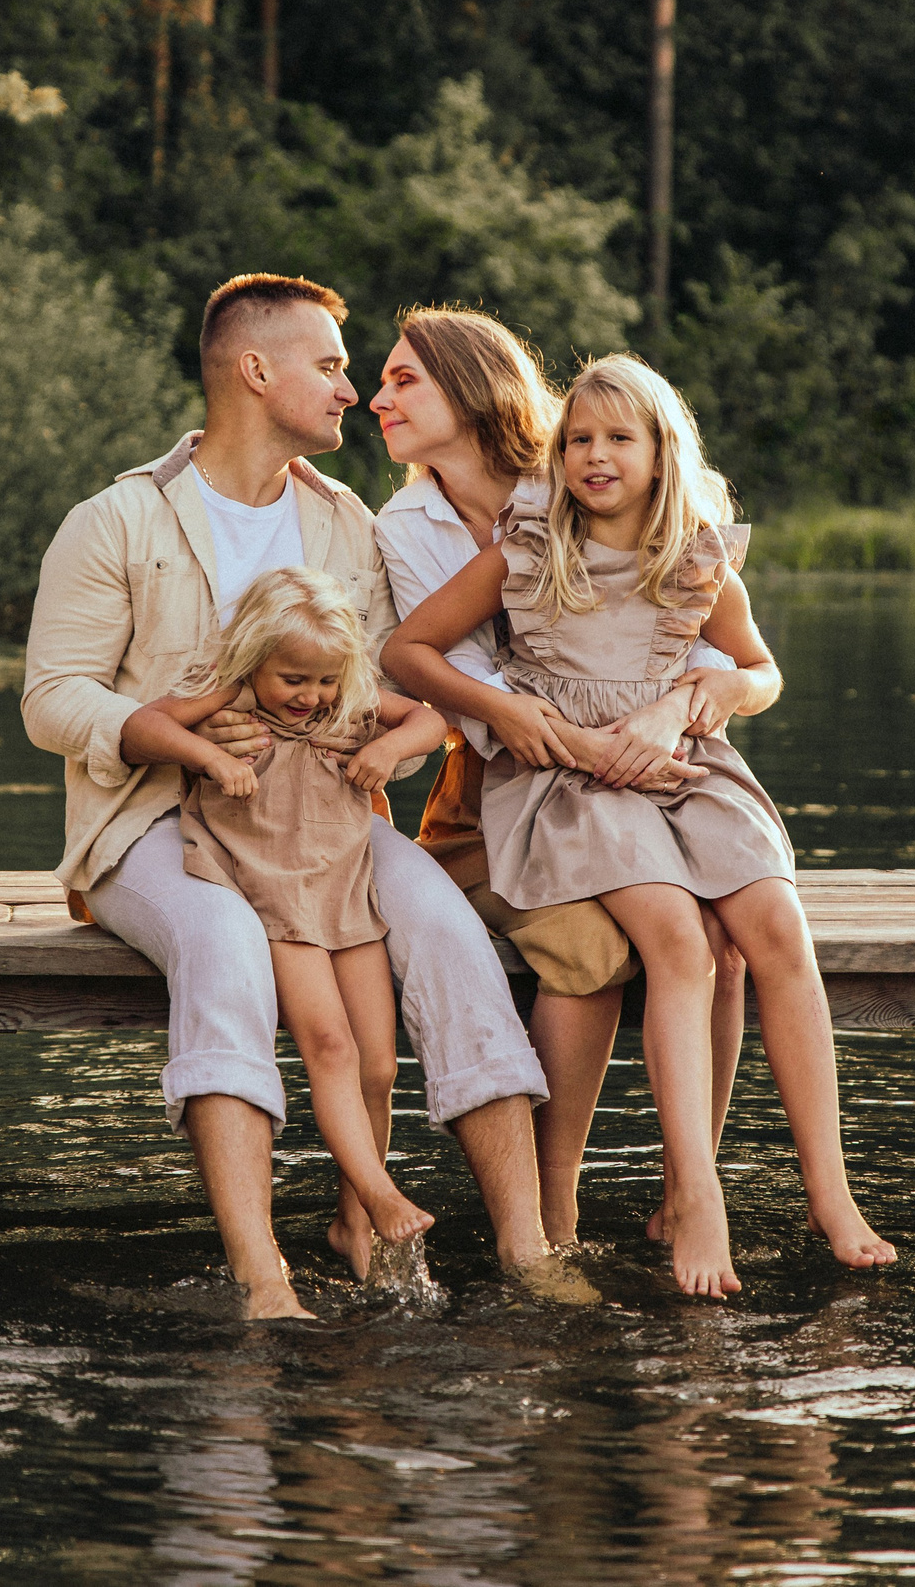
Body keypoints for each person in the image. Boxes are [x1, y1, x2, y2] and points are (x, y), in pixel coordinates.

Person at [22, 271, 574, 1320]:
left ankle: (526, 1248)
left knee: (450, 934)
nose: (348, 390)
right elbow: (52, 698)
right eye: (327, 365)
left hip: (324, 821)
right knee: (223, 944)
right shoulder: (116, 519)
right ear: (255, 369)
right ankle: (263, 1277)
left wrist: (384, 741)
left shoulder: (343, 524)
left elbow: (383, 694)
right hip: (151, 820)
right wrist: (170, 726)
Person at [386, 353, 897, 1298]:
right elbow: (407, 649)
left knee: (774, 926)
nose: (593, 454)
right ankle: (697, 1192)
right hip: (566, 784)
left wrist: (715, 688)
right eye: (577, 438)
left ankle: (830, 1187)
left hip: (685, 766)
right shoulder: (527, 547)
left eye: (619, 437)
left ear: (664, 453)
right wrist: (517, 718)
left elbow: (763, 674)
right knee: (677, 936)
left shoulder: (698, 557)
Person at [369, 307, 750, 1252]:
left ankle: (688, 1186)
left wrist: (682, 707)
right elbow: (478, 690)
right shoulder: (406, 524)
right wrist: (595, 742)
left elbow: (697, 639)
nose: (379, 398)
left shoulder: (580, 478)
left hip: (634, 777)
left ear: (469, 385)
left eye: (403, 377)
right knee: (587, 948)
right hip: (498, 802)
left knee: (721, 934)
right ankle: (552, 1208)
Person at [121, 565, 452, 1255]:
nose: (310, 696)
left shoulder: (349, 702)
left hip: (344, 885)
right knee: (329, 1045)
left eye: (324, 679)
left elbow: (431, 720)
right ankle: (382, 1193)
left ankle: (352, 1222)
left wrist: (388, 747)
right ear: (256, 659)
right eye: (293, 679)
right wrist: (208, 755)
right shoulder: (232, 695)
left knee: (380, 1065)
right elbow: (146, 723)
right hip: (269, 888)